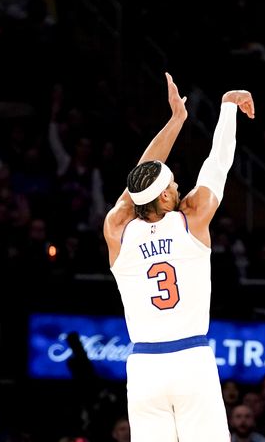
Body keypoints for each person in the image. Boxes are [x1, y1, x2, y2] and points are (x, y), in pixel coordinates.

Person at [103, 72, 255, 441]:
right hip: (191, 361)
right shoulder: (192, 218)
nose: (176, 185)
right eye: (171, 183)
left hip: (143, 369)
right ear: (167, 198)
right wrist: (228, 109)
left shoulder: (117, 229)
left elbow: (135, 186)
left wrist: (176, 121)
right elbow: (217, 165)